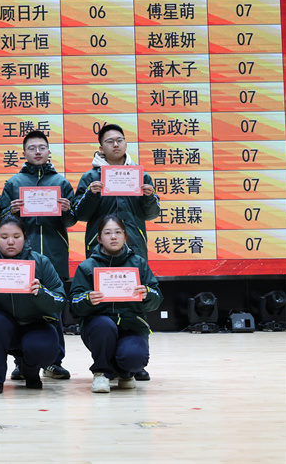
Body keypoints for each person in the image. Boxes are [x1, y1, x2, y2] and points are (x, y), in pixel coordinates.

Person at [74, 123, 160, 381]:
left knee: (135, 298)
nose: (115, 144)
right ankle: (104, 361)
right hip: (99, 253)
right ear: (101, 147)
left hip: (134, 250)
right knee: (102, 305)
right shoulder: (90, 178)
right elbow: (79, 214)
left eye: (119, 140)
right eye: (109, 141)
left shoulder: (140, 175)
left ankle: (135, 362)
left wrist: (148, 196)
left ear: (125, 144)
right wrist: (91, 195)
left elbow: (152, 213)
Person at [0, 130, 76, 381]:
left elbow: (72, 220)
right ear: (24, 153)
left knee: (54, 309)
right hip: (21, 258)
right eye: (32, 148)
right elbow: (2, 220)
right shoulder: (14, 183)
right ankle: (21, 362)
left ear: (49, 151)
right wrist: (11, 211)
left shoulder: (61, 182)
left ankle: (54, 362)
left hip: (54, 254)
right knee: (19, 309)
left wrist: (66, 210)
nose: (38, 152)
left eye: (42, 147)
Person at [0, 216, 66, 394]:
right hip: (3, 326)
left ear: (25, 237)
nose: (10, 242)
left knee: (46, 349)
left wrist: (41, 293)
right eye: (4, 237)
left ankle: (29, 371)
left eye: (16, 236)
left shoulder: (41, 262)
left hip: (36, 323)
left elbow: (59, 302)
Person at [69, 215, 163, 393]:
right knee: (104, 324)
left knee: (135, 358)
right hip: (99, 328)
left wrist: (147, 294)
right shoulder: (87, 267)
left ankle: (125, 373)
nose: (113, 237)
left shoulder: (138, 263)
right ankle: (101, 373)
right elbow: (74, 303)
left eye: (118, 232)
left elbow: (157, 298)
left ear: (125, 236)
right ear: (99, 239)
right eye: (107, 233)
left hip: (132, 325)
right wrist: (88, 299)